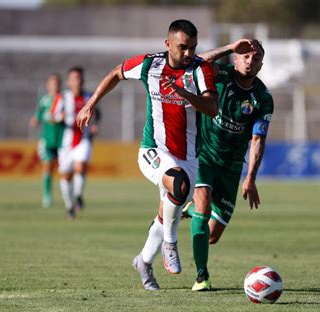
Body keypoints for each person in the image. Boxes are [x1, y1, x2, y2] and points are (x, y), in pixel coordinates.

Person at [75, 19, 225, 290]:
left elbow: (213, 107)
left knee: (168, 210)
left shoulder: (200, 70)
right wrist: (90, 103)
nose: (189, 53)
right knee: (178, 187)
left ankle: (143, 262)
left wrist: (183, 92)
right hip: (153, 150)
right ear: (167, 44)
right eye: (183, 47)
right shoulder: (149, 64)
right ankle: (170, 243)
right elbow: (115, 74)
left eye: (193, 48)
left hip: (189, 156)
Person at [182, 39, 274, 291]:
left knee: (211, 236)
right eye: (245, 56)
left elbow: (258, 139)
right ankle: (202, 276)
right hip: (204, 154)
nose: (249, 61)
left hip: (232, 166)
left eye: (255, 59)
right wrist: (231, 46)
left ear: (261, 65)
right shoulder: (220, 75)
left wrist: (251, 178)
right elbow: (198, 61)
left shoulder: (263, 98)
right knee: (203, 204)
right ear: (236, 58)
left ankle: (189, 211)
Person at [52, 67, 100, 220]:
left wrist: (94, 125)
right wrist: (60, 116)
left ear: (83, 80)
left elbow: (97, 114)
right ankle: (69, 206)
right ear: (68, 81)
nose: (77, 81)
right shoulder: (62, 97)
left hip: (83, 139)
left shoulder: (89, 96)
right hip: (65, 143)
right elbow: (52, 116)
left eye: (79, 78)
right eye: (73, 78)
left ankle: (78, 194)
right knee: (66, 176)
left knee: (81, 166)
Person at [29, 73, 65, 208]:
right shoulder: (43, 100)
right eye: (52, 82)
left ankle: (67, 194)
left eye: (57, 82)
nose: (54, 85)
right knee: (47, 166)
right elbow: (37, 117)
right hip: (47, 140)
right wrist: (35, 120)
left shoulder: (64, 99)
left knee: (66, 170)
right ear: (48, 85)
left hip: (62, 140)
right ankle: (47, 195)